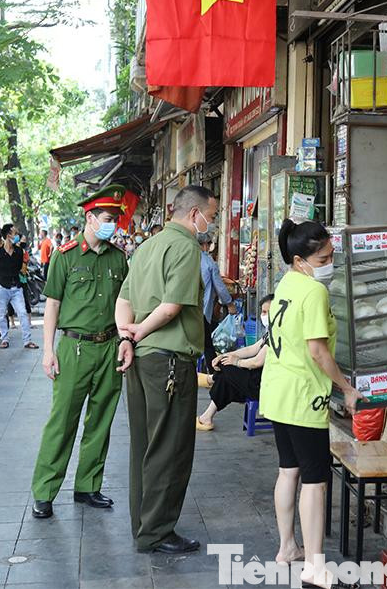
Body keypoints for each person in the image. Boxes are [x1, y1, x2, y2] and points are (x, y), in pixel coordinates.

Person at [260, 219, 364, 588]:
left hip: (277, 392)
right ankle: (315, 567)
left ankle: (288, 547)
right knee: (315, 482)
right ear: (302, 259)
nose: (330, 262)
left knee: (288, 470)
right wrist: (347, 388)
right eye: (325, 257)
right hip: (304, 396)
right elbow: (317, 350)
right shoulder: (313, 291)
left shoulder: (286, 283)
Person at [115, 185, 217, 555]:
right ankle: (156, 532)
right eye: (212, 215)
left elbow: (123, 300)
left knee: (144, 445)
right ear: (194, 215)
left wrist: (127, 338)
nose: (212, 223)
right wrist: (139, 331)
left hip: (141, 360)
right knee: (169, 449)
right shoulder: (187, 248)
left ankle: (143, 525)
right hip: (170, 361)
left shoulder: (148, 246)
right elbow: (173, 306)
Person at [31, 186, 132, 519]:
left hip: (109, 347)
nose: (113, 224)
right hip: (74, 347)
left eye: (115, 219)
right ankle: (44, 491)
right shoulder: (66, 254)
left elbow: (125, 303)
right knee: (62, 422)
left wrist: (125, 340)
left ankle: (88, 486)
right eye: (107, 219)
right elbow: (53, 304)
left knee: (101, 420)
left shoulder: (119, 258)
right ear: (89, 218)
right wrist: (48, 351)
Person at [196, 294, 272, 431]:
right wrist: (228, 355)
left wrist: (236, 362)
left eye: (266, 312)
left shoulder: (278, 335)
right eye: (262, 311)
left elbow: (256, 362)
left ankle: (211, 379)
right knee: (225, 377)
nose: (263, 315)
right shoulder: (269, 333)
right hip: (256, 378)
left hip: (262, 384)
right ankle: (206, 418)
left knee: (227, 368)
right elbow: (252, 349)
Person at [0, 224, 37, 350]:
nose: (17, 236)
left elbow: (20, 269)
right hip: (2, 287)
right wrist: (2, 279)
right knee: (1, 314)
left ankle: (27, 340)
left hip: (16, 288)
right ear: (8, 236)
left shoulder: (19, 252)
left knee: (22, 313)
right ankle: (4, 339)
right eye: (15, 233)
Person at [198, 232, 237, 367]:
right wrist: (230, 303)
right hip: (202, 309)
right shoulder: (209, 263)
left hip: (188, 308)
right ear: (204, 245)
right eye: (209, 244)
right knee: (207, 344)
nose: (209, 247)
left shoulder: (186, 258)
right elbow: (219, 287)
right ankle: (214, 372)